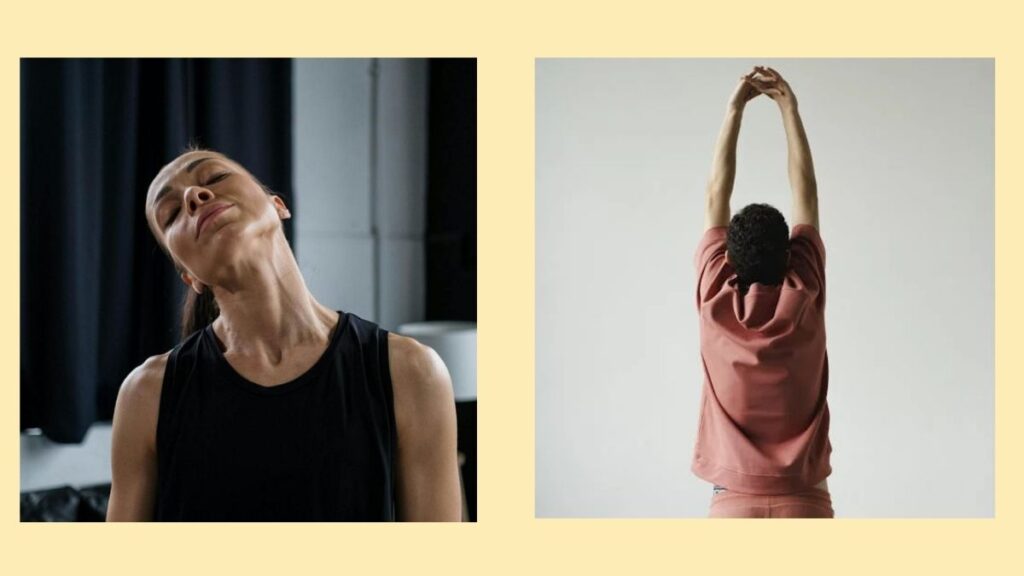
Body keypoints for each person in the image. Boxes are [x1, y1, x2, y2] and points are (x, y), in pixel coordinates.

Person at [106, 148, 462, 521]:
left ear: (277, 205)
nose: (194, 197)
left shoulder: (411, 372)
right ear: (190, 278)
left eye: (214, 178)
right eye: (173, 213)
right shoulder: (147, 394)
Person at [693, 66, 833, 518]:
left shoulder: (715, 298)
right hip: (805, 502)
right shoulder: (806, 291)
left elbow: (717, 191)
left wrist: (734, 109)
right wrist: (788, 108)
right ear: (792, 253)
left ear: (728, 259)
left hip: (731, 504)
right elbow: (806, 192)